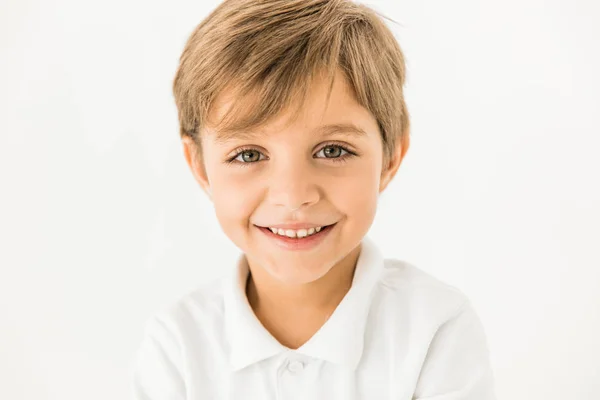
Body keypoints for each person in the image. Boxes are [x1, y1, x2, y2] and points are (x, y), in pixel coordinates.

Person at [130, 0, 497, 398]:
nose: (293, 196)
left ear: (390, 157)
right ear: (200, 166)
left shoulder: (435, 329)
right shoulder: (178, 348)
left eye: (333, 151)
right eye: (249, 155)